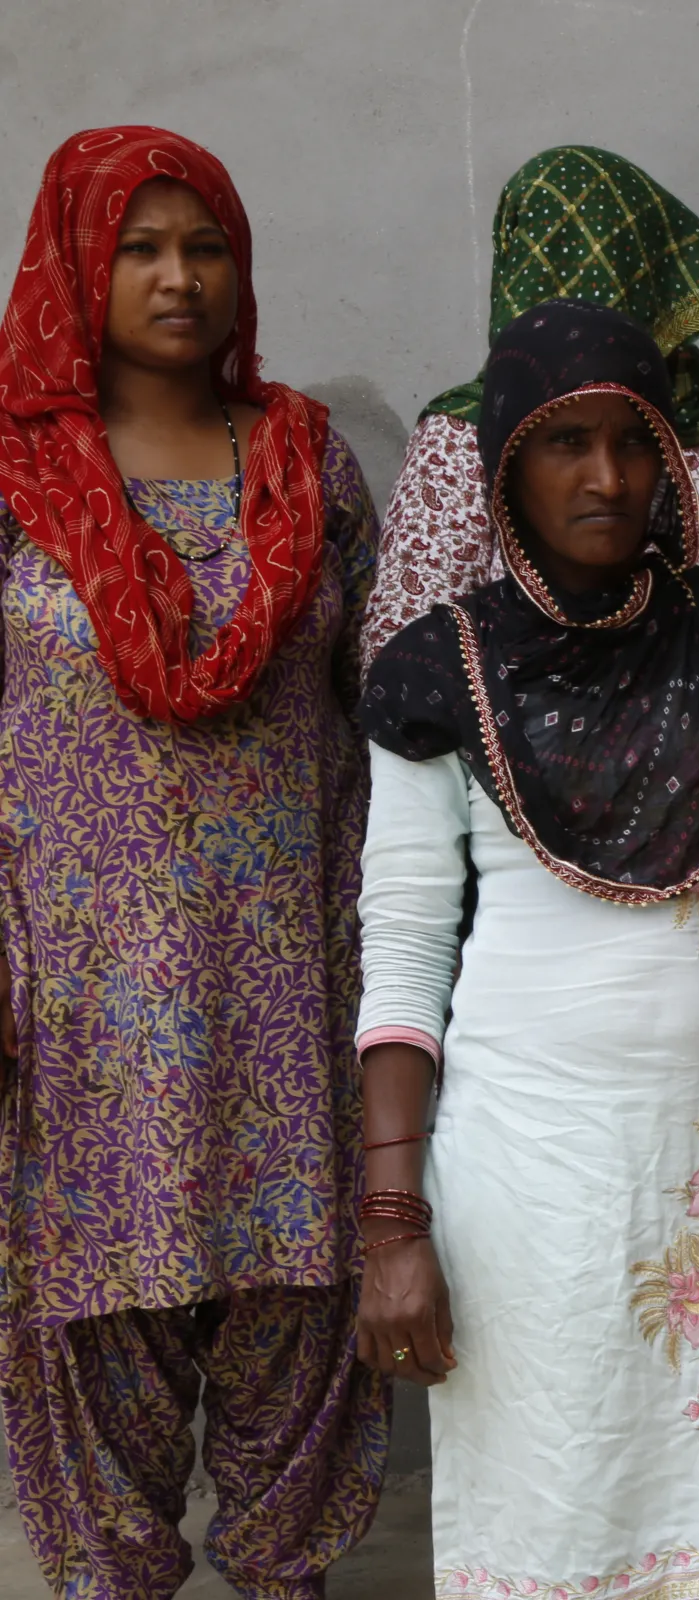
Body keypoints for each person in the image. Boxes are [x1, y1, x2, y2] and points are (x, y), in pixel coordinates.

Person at [352, 300, 699, 1597]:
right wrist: (393, 1224)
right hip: (528, 1188)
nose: (603, 477)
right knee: (567, 1525)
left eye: (630, 442)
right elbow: (405, 950)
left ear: (668, 457)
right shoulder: (439, 675)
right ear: (504, 466)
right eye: (564, 446)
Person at [0, 126, 388, 1595]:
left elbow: (379, 730)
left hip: (292, 1014)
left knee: (300, 1344)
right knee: (101, 1377)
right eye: (141, 246)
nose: (178, 277)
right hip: (85, 1031)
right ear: (76, 265)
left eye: (206, 244)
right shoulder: (13, 472)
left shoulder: (303, 462)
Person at [364, 145, 699, 662]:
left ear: (652, 272)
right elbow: (405, 655)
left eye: (598, 270)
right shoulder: (466, 436)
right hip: (528, 733)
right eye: (545, 273)